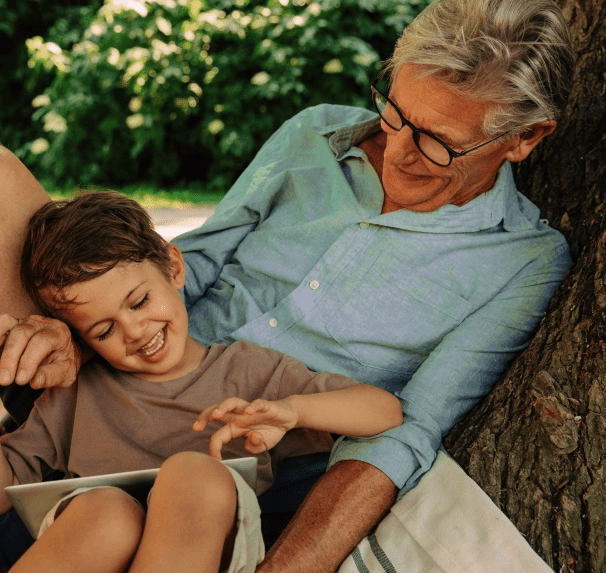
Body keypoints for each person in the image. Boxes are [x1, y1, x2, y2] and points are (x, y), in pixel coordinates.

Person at [0, 0, 575, 571]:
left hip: (235, 472)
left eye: (437, 142)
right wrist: (74, 332)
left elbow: (407, 426)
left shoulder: (523, 259)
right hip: (114, 387)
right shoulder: (313, 132)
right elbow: (184, 265)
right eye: (395, 111)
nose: (396, 152)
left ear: (524, 138)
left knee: (188, 487)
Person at [0, 191, 403, 573]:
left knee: (195, 474)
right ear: (80, 338)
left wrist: (293, 411)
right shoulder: (75, 392)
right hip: (98, 549)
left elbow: (385, 411)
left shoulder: (248, 371)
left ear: (174, 268)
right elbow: (12, 476)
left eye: (139, 302)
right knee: (105, 512)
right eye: (104, 331)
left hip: (205, 548)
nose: (135, 330)